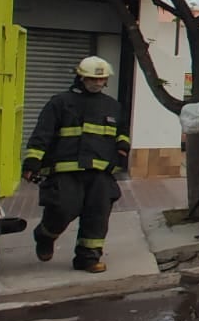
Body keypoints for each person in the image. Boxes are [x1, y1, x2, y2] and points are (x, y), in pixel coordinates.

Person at [23, 56, 129, 274]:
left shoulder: (112, 106)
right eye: (92, 79)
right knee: (63, 208)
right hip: (66, 169)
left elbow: (122, 133)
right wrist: (33, 160)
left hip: (100, 172)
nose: (97, 83)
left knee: (97, 214)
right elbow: (43, 132)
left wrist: (122, 149)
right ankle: (45, 235)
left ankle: (87, 258)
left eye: (102, 80)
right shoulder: (60, 102)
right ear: (80, 77)